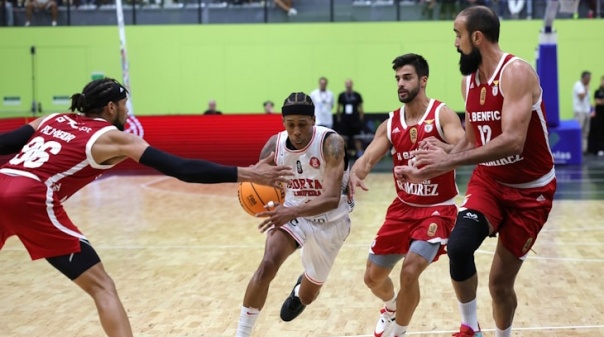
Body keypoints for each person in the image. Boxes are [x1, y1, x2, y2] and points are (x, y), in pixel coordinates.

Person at [0, 78, 293, 337]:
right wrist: (247, 173)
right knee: (102, 287)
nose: (128, 112)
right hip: (32, 198)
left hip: (3, 182)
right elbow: (182, 169)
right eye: (125, 105)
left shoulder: (51, 119)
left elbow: (3, 143)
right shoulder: (115, 138)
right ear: (111, 107)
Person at [395, 6, 557, 337]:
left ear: (476, 37)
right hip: (490, 182)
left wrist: (448, 162)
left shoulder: (516, 73)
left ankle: (503, 334)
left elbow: (513, 141)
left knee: (499, 284)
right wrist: (442, 152)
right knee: (458, 247)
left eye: (458, 35)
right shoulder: (468, 81)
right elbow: (473, 135)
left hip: (531, 191)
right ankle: (471, 328)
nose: (455, 43)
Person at [349, 53, 465, 337]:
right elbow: (367, 161)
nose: (400, 83)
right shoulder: (391, 123)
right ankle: (390, 308)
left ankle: (398, 332)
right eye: (398, 79)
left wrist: (443, 148)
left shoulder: (441, 114)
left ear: (423, 81)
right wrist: (352, 176)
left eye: (407, 77)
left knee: (410, 271)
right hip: (402, 209)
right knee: (372, 278)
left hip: (437, 209)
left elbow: (466, 147)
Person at [235, 92, 353, 337]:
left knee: (309, 295)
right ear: (283, 123)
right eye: (290, 125)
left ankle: (300, 292)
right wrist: (256, 191)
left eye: (302, 124)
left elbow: (331, 199)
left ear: (313, 120)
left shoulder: (331, 143)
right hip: (293, 216)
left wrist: (291, 210)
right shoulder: (273, 146)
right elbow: (261, 182)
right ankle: (242, 333)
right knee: (267, 265)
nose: (297, 131)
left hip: (330, 222)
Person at [336, 79, 365, 159]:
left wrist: (361, 118)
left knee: (357, 138)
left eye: (349, 83)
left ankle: (360, 154)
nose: (348, 85)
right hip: (345, 120)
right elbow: (338, 107)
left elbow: (361, 107)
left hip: (355, 119)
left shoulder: (357, 95)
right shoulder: (341, 95)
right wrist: (339, 118)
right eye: (347, 84)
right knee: (344, 138)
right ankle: (343, 154)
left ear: (352, 84)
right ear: (345, 85)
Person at [573, 71, 592, 153]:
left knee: (585, 132)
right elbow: (581, 97)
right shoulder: (578, 85)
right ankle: (578, 149)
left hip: (586, 111)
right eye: (588, 78)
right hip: (580, 111)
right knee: (579, 131)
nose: (590, 80)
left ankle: (584, 150)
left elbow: (587, 100)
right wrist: (586, 90)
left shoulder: (586, 86)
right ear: (584, 78)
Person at [589, 75, 604, 156]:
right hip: (599, 114)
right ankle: (599, 149)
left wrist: (601, 101)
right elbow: (597, 101)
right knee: (599, 131)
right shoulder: (597, 91)